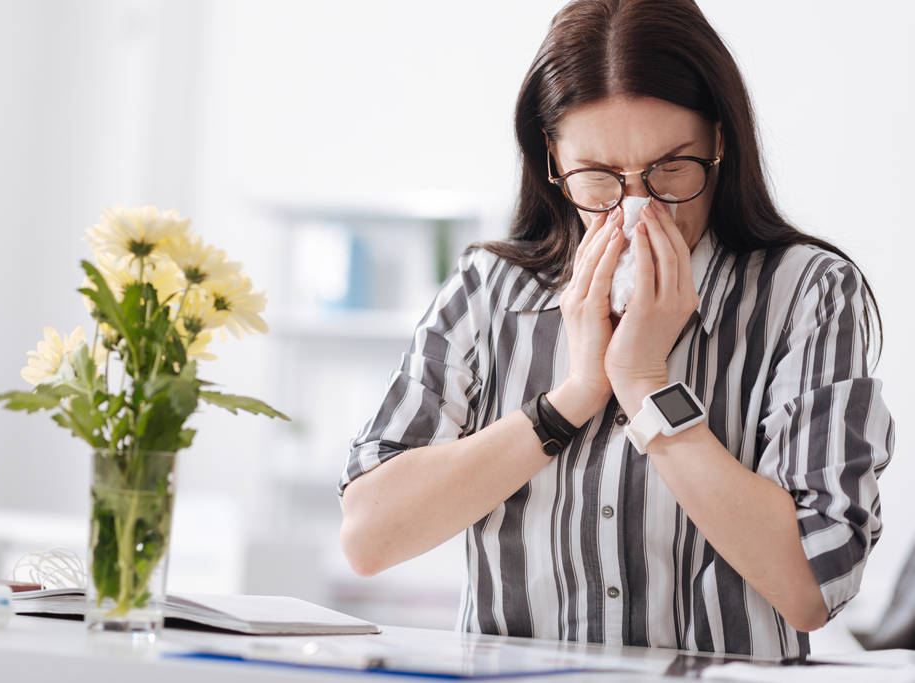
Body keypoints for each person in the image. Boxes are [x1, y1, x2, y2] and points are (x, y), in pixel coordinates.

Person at [337, 0, 893, 660]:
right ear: (552, 157)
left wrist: (645, 386)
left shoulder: (806, 292)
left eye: (669, 169)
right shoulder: (489, 289)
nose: (636, 209)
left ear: (718, 140)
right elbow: (368, 535)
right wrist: (570, 398)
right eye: (598, 178)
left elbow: (809, 584)